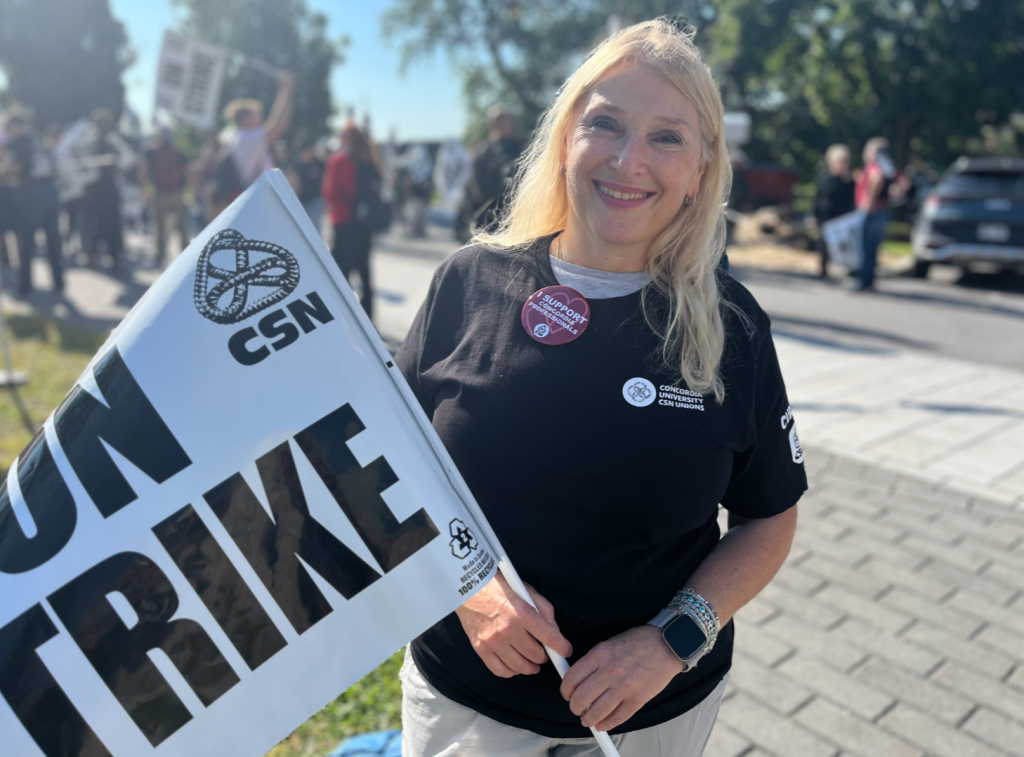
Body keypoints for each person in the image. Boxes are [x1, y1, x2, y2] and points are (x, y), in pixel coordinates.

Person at [395, 19, 805, 757]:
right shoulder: (469, 281)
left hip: (656, 716)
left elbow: (767, 518)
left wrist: (672, 638)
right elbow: (389, 463)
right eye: (606, 124)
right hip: (465, 700)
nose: (628, 160)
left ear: (703, 166)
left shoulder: (732, 326)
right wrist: (467, 588)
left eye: (667, 137)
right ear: (565, 138)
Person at [212, 72, 295, 216]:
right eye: (256, 114)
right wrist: (286, 90)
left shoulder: (234, 136)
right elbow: (279, 126)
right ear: (246, 119)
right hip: (253, 204)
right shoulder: (249, 138)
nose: (261, 118)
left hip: (245, 202)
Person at [322, 124, 382, 321]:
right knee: (364, 271)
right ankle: (368, 318)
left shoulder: (339, 160)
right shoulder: (370, 159)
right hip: (365, 223)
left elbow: (329, 192)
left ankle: (344, 318)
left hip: (343, 220)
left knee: (342, 271)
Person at [1, 110, 65, 296]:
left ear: (15, 126)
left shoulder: (19, 142)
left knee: (27, 242)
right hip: (51, 193)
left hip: (31, 196)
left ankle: (25, 287)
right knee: (53, 241)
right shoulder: (38, 141)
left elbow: (14, 167)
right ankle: (58, 283)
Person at [854, 137, 905, 291]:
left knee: (864, 247)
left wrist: (869, 202)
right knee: (872, 247)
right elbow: (904, 182)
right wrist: (894, 194)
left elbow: (876, 178)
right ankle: (869, 279)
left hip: (871, 210)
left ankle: (863, 280)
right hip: (882, 210)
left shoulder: (875, 166)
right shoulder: (888, 166)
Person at [467, 104, 525, 233]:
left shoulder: (520, 147)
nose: (503, 125)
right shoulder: (483, 150)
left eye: (505, 120)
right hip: (488, 214)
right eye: (499, 121)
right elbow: (473, 182)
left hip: (514, 213)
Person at [142, 129, 190, 266]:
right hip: (177, 193)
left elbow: (144, 171)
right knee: (182, 227)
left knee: (160, 226)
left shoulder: (151, 152)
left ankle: (160, 255)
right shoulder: (178, 152)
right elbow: (187, 171)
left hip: (160, 193)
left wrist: (145, 190)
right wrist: (192, 191)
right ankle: (186, 254)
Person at [813, 144, 855, 278]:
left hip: (841, 217)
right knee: (823, 245)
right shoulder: (825, 177)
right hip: (825, 215)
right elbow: (818, 197)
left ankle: (845, 269)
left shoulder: (849, 180)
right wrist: (815, 215)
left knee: (841, 245)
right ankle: (823, 269)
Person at [295, 140, 326, 233]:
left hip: (316, 199)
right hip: (303, 201)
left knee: (315, 228)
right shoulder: (300, 166)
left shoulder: (319, 164)